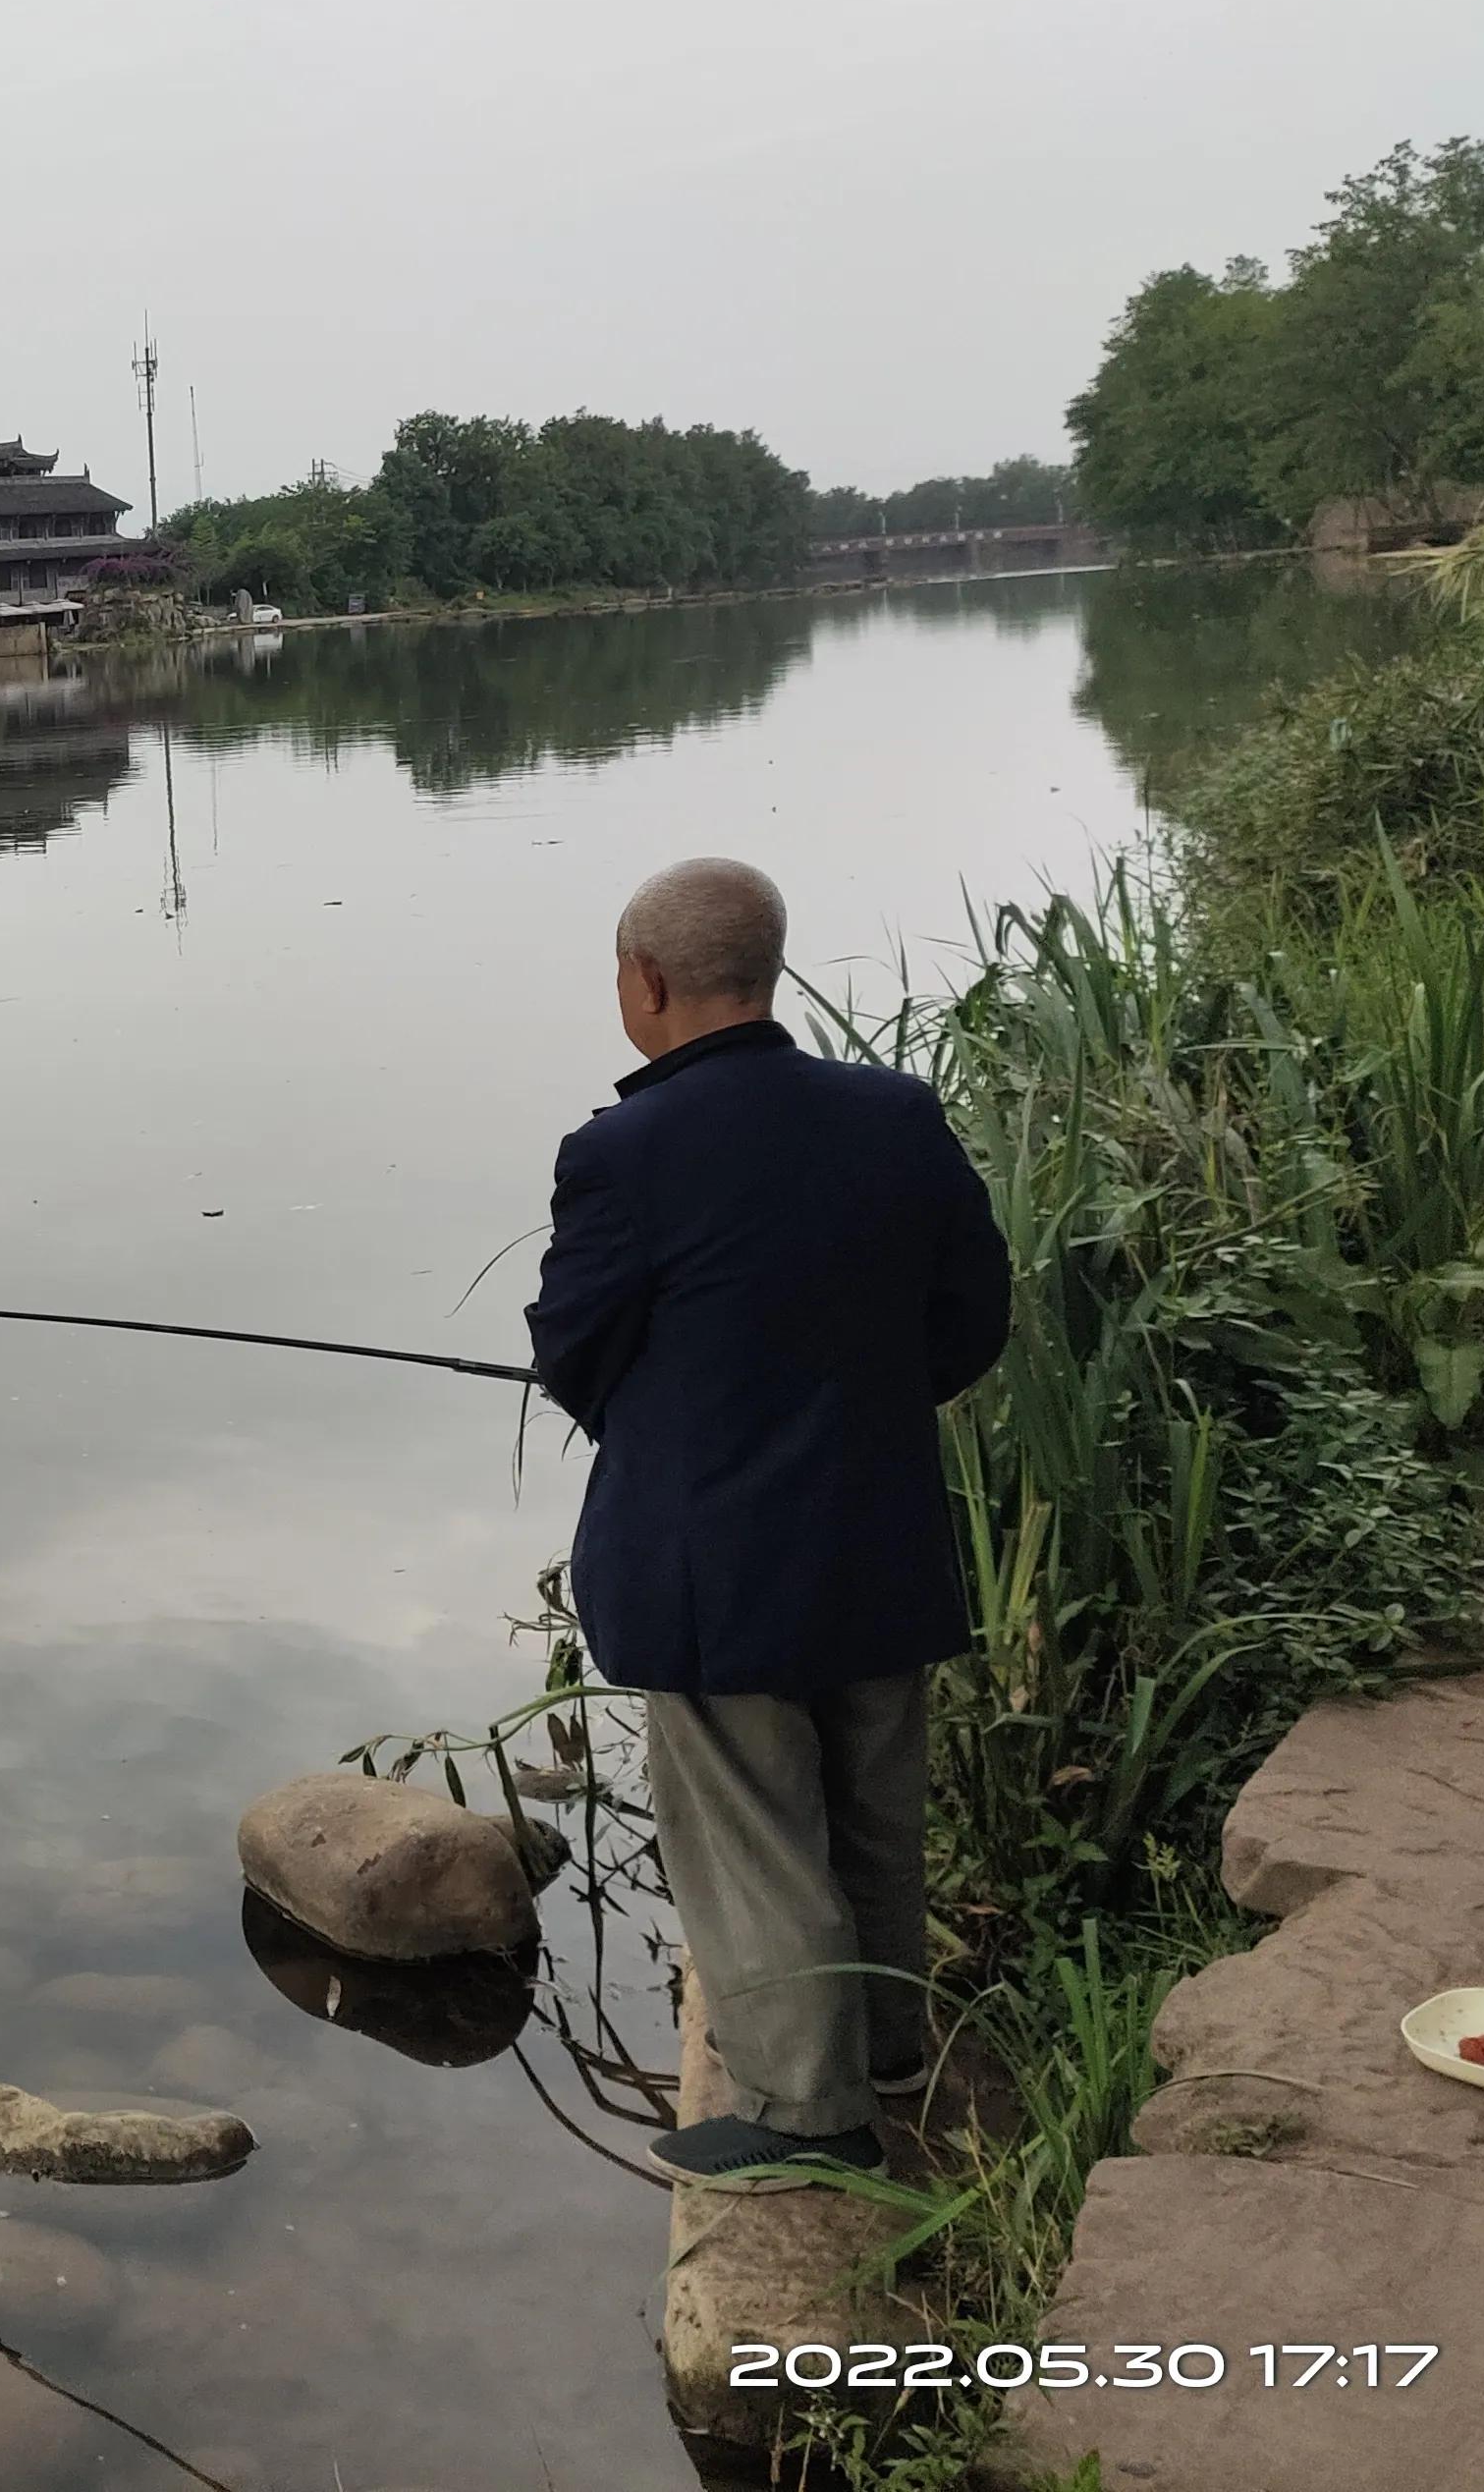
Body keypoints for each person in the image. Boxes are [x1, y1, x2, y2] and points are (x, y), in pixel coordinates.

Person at [526, 858, 1010, 2187]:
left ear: (648, 982)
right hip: (878, 1530)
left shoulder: (622, 1153)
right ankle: (891, 2049)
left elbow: (574, 1349)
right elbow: (973, 1315)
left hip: (714, 1569)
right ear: (768, 969)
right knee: (873, 1807)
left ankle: (807, 2112)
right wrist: (859, 1412)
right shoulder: (896, 1115)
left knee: (753, 1834)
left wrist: (677, 1424)